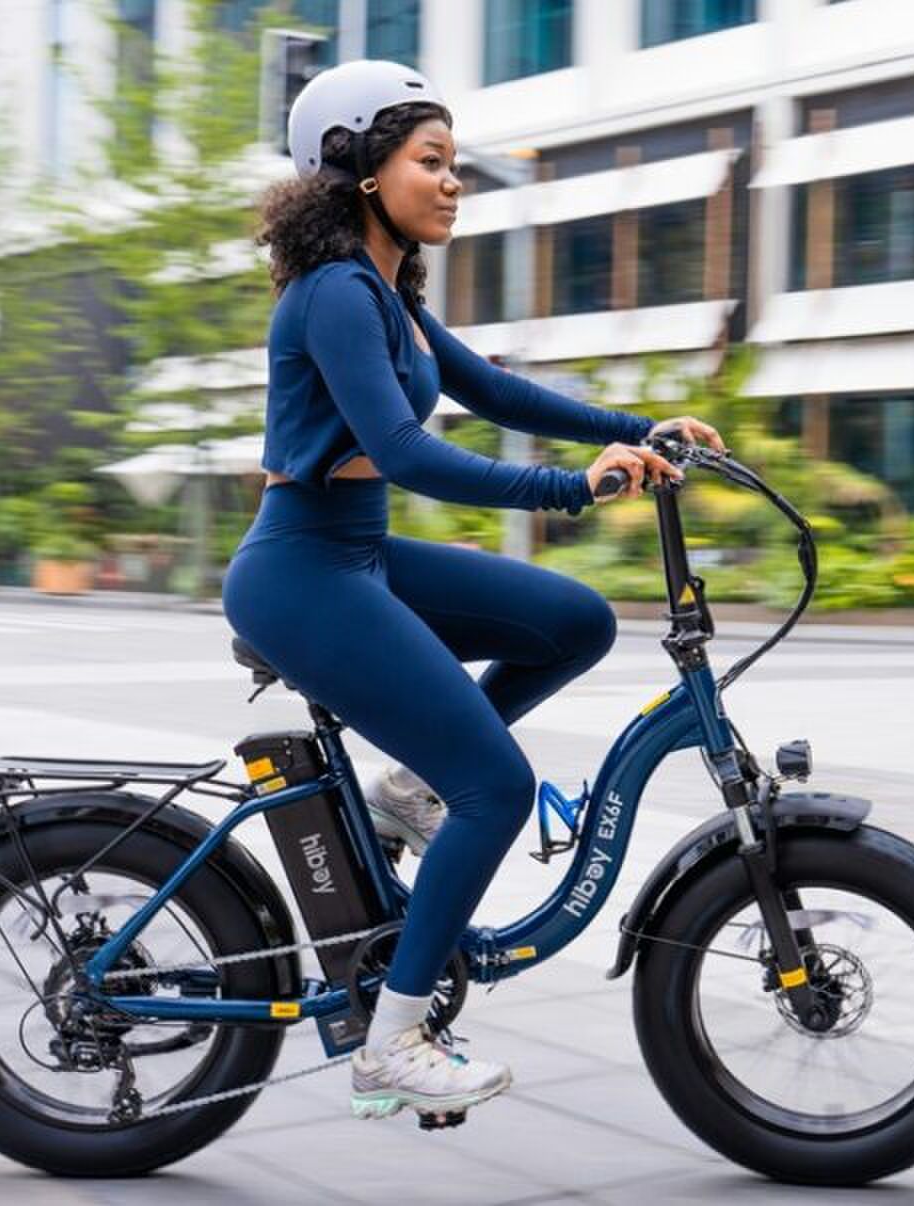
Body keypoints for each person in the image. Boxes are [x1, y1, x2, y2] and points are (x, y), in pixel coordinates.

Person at [225, 59, 725, 1124]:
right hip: (303, 571)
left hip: (354, 554)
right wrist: (570, 490)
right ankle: (391, 1037)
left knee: (572, 620)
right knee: (496, 789)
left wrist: (636, 432)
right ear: (358, 170)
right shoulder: (332, 293)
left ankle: (407, 790)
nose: (453, 182)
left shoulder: (386, 290)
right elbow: (401, 451)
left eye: (454, 164)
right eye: (431, 161)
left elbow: (492, 390)